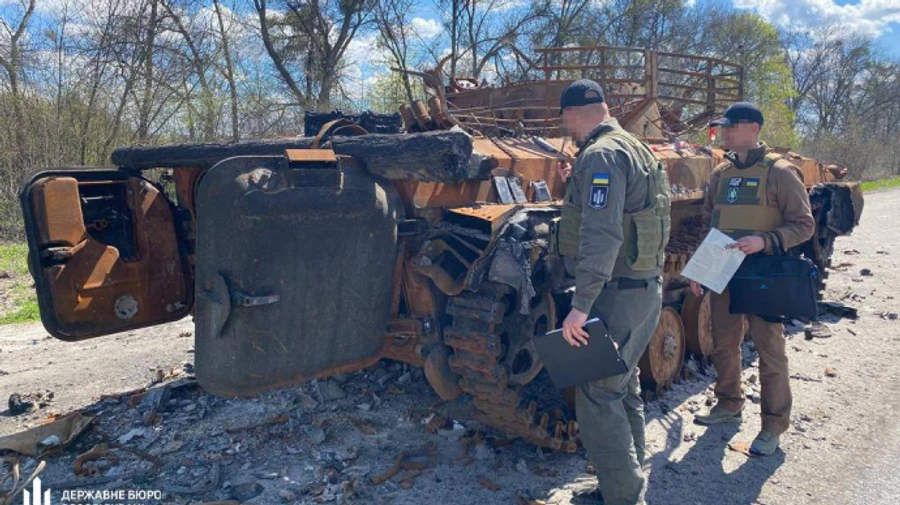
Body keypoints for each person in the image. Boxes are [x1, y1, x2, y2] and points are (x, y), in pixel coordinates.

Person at [556, 79, 671, 505]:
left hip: (616, 293)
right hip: (643, 288)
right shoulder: (632, 146)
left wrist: (579, 306)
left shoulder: (601, 155)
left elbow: (602, 234)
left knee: (598, 392)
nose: (566, 128)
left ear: (574, 113)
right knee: (623, 386)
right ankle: (624, 484)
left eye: (565, 119)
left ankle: (623, 497)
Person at [692, 102, 815, 456]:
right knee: (723, 342)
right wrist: (701, 271)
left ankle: (773, 425)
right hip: (724, 269)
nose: (726, 132)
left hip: (765, 273)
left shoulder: (780, 172)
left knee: (769, 350)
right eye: (724, 127)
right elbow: (710, 225)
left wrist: (766, 241)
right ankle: (728, 403)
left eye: (733, 126)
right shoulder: (721, 173)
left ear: (754, 128)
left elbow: (804, 225)